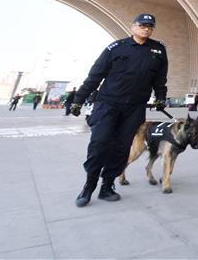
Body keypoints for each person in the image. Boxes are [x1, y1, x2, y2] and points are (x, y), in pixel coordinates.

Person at [68, 13, 168, 207]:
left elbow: (160, 78)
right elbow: (95, 75)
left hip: (135, 107)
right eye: (142, 25)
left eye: (150, 26)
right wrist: (78, 100)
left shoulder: (158, 50)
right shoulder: (116, 48)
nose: (146, 29)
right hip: (108, 104)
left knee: (122, 147)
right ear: (133, 27)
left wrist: (161, 97)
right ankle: (88, 186)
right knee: (99, 144)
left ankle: (107, 185)